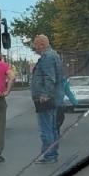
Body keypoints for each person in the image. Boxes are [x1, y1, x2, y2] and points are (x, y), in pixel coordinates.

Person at [30, 34, 64, 163]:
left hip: (46, 99)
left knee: (46, 128)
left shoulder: (47, 57)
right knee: (53, 128)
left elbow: (49, 77)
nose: (34, 47)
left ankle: (49, 155)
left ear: (42, 45)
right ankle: (53, 153)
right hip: (54, 97)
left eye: (35, 44)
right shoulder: (54, 55)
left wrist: (44, 94)